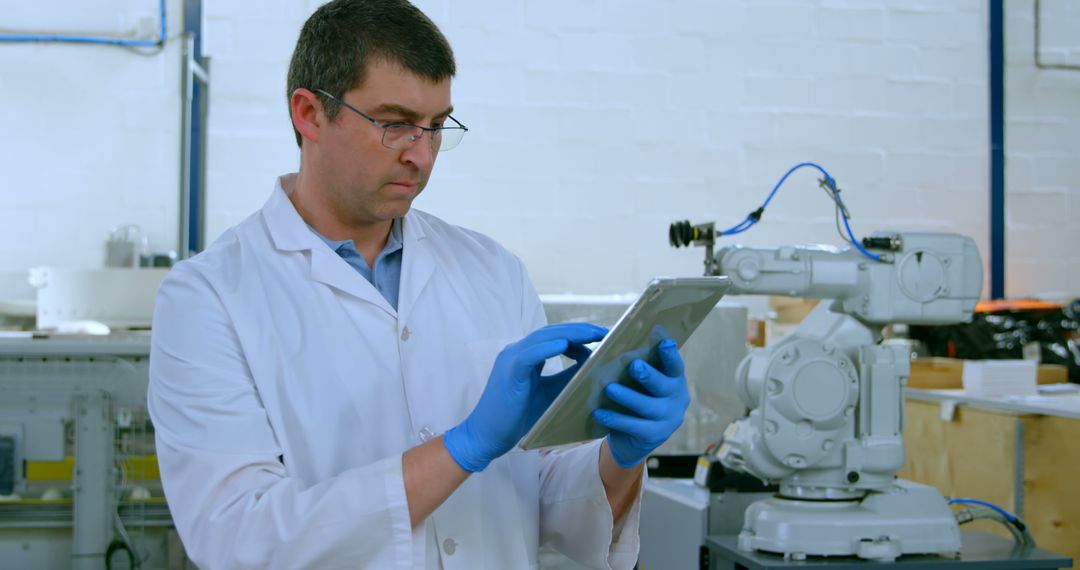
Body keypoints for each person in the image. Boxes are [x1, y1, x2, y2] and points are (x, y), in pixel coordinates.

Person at [147, 0, 691, 568]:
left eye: (436, 127)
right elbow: (240, 539)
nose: (421, 155)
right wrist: (464, 447)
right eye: (395, 124)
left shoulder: (493, 270)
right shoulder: (208, 297)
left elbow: (543, 500)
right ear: (309, 114)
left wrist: (621, 457)